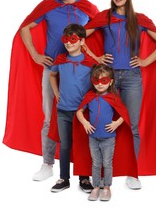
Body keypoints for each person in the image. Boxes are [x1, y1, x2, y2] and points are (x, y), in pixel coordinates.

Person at [2, 0, 100, 187]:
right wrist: (36, 55)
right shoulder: (48, 5)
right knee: (50, 117)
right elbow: (25, 27)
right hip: (52, 69)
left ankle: (83, 171)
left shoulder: (87, 8)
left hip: (80, 71)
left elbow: (102, 29)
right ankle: (47, 164)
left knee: (82, 117)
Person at [83, 0, 156, 189]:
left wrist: (144, 61)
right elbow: (80, 36)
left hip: (133, 78)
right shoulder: (104, 17)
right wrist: (96, 58)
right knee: (101, 122)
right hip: (107, 79)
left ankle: (132, 173)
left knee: (131, 124)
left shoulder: (139, 19)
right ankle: (103, 170)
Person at [49, 23, 98, 193]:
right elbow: (52, 75)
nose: (69, 43)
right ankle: (64, 178)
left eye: (73, 39)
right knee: (64, 145)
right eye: (66, 39)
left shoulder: (89, 63)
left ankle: (84, 178)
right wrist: (56, 94)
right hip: (63, 111)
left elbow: (100, 80)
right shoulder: (61, 60)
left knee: (83, 145)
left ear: (81, 41)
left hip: (82, 113)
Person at [76, 64, 128, 201]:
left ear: (110, 81)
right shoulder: (90, 96)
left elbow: (124, 114)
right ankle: (96, 187)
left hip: (108, 138)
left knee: (107, 163)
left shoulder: (113, 97)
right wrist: (85, 123)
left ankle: (107, 187)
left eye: (103, 81)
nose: (99, 85)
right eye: (96, 81)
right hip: (93, 137)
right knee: (96, 163)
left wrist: (116, 123)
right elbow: (79, 111)